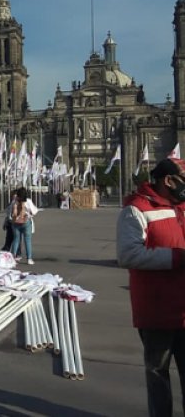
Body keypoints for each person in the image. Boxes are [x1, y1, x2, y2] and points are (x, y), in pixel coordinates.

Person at [117, 157, 185, 416]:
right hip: (157, 311)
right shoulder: (136, 209)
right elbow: (128, 254)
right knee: (158, 376)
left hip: (184, 310)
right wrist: (177, 257)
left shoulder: (183, 206)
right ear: (169, 180)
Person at [10, 187, 38, 264]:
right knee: (27, 240)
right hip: (26, 222)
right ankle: (29, 258)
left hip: (16, 223)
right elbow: (34, 211)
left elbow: (9, 212)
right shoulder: (28, 201)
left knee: (16, 240)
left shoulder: (14, 202)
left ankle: (13, 257)